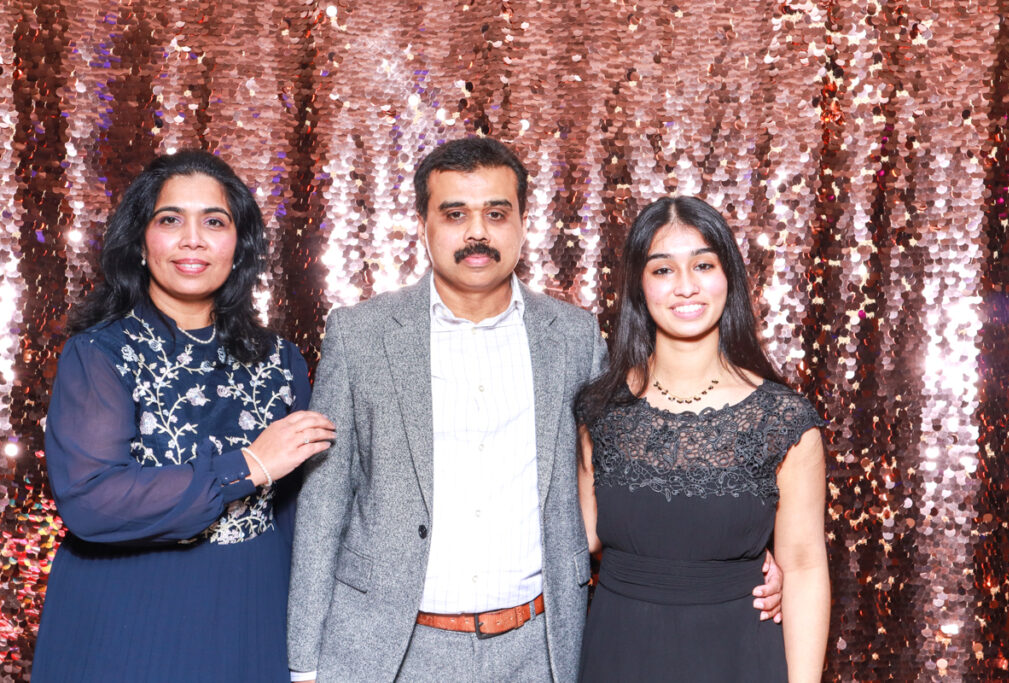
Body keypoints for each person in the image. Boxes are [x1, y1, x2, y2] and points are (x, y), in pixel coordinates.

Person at [286, 138, 782, 682]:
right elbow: (325, 502)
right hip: (390, 651)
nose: (477, 231)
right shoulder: (362, 335)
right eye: (455, 213)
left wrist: (744, 556)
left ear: (523, 223)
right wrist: (305, 663)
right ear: (423, 225)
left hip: (538, 650)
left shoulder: (572, 337)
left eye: (496, 213)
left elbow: (634, 474)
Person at [33, 150, 335, 683]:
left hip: (253, 608)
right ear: (140, 242)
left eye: (214, 222)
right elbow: (90, 500)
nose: (192, 239)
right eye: (170, 219)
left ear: (239, 245)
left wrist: (308, 645)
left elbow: (299, 516)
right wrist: (246, 466)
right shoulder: (101, 352)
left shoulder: (281, 359)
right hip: (126, 614)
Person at [575, 196, 830, 681]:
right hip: (619, 654)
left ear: (728, 275)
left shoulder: (782, 419)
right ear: (638, 285)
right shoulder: (599, 409)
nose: (686, 286)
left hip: (739, 656)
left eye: (703, 264)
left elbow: (803, 567)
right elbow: (577, 539)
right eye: (663, 270)